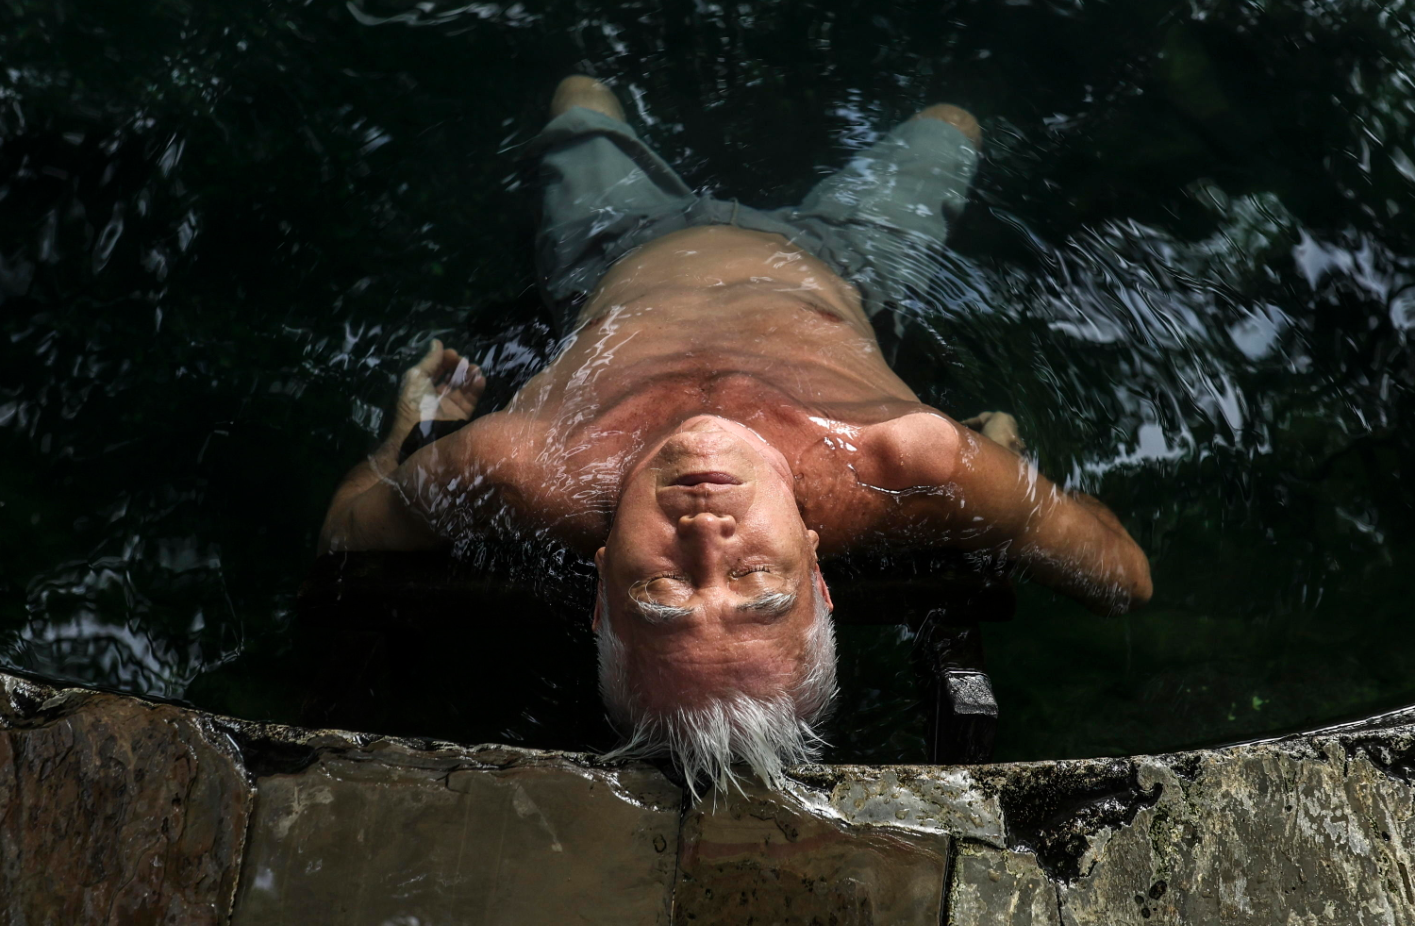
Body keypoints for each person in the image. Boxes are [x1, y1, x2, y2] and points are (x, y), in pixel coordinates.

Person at [319, 76, 1151, 793]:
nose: (706, 537)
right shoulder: (910, 462)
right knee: (954, 121)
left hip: (617, 253)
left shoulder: (516, 467)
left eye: (663, 594)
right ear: (819, 573)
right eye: (756, 577)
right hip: (845, 264)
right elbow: (1123, 576)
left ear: (604, 587)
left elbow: (346, 528)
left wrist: (406, 432)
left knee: (579, 96)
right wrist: (1003, 487)